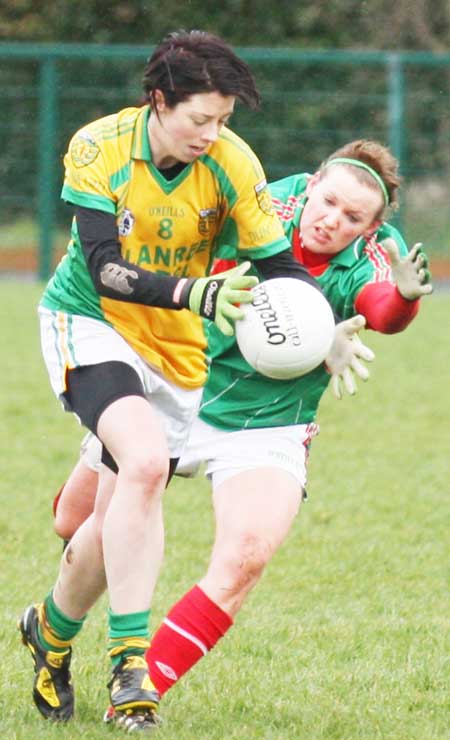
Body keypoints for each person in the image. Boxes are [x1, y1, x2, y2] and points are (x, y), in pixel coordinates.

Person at [49, 139, 432, 718]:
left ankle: (136, 694)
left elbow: (379, 306)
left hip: (268, 418)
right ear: (310, 185)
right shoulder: (262, 204)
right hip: (178, 379)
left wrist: (401, 298)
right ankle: (49, 629)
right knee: (75, 523)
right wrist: (302, 317)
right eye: (327, 202)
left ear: (372, 226)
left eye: (353, 218)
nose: (333, 220)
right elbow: (200, 261)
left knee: (246, 556)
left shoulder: (380, 251)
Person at [18, 29, 333, 732]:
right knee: (147, 462)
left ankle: (51, 633)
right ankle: (131, 660)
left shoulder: (231, 162)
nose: (212, 133)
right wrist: (196, 292)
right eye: (200, 118)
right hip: (91, 321)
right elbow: (104, 266)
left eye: (222, 120)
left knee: (106, 524)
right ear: (159, 101)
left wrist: (319, 327)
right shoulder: (100, 147)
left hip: (176, 354)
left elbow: (277, 264)